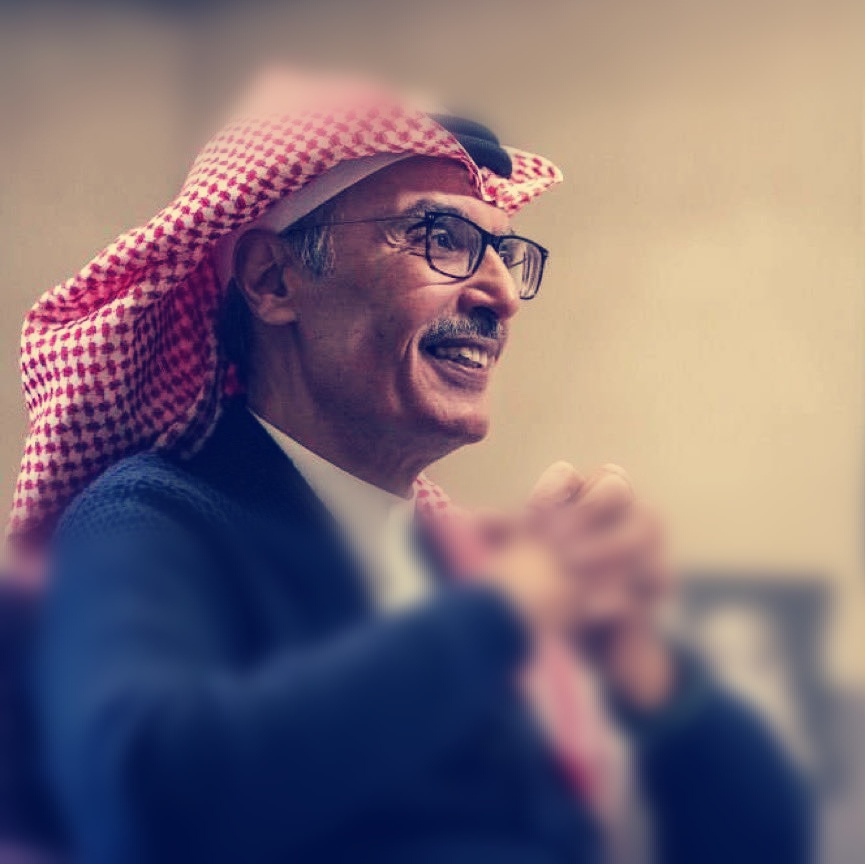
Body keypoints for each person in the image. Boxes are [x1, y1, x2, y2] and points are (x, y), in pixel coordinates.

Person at [16, 72, 810, 864]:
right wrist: (504, 610)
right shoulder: (151, 522)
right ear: (273, 281)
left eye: (504, 253)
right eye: (442, 238)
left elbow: (763, 839)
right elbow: (147, 805)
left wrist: (640, 661)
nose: (501, 293)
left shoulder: (448, 556)